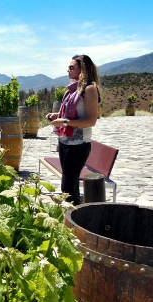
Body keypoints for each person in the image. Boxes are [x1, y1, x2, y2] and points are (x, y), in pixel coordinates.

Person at [46, 55, 100, 205]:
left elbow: (91, 121)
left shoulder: (90, 89)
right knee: (70, 184)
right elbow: (69, 115)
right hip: (64, 142)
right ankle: (75, 218)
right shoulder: (72, 90)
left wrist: (64, 122)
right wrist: (56, 116)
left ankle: (72, 220)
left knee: (68, 187)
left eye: (71, 67)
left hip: (79, 144)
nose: (67, 70)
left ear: (82, 69)